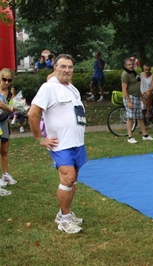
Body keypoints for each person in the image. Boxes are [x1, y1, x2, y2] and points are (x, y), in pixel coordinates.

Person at [28, 54, 87, 234]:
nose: (67, 70)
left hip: (77, 142)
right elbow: (33, 113)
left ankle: (65, 213)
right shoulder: (48, 88)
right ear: (55, 68)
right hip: (60, 143)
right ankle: (64, 218)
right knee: (68, 177)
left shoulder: (73, 88)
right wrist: (39, 138)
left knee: (73, 178)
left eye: (70, 67)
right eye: (63, 66)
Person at [121, 58, 153, 144]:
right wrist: (129, 101)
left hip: (136, 97)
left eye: (132, 64)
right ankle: (130, 137)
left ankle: (145, 135)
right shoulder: (125, 74)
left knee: (140, 117)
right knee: (130, 118)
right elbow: (124, 89)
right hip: (130, 97)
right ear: (125, 65)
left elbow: (137, 86)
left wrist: (142, 98)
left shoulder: (133, 73)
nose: (131, 66)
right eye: (129, 64)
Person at [0, 68, 17, 196]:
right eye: (4, 79)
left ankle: (5, 175)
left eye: (9, 80)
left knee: (4, 150)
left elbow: (12, 106)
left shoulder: (10, 92)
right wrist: (10, 110)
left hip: (4, 123)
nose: (6, 82)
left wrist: (15, 106)